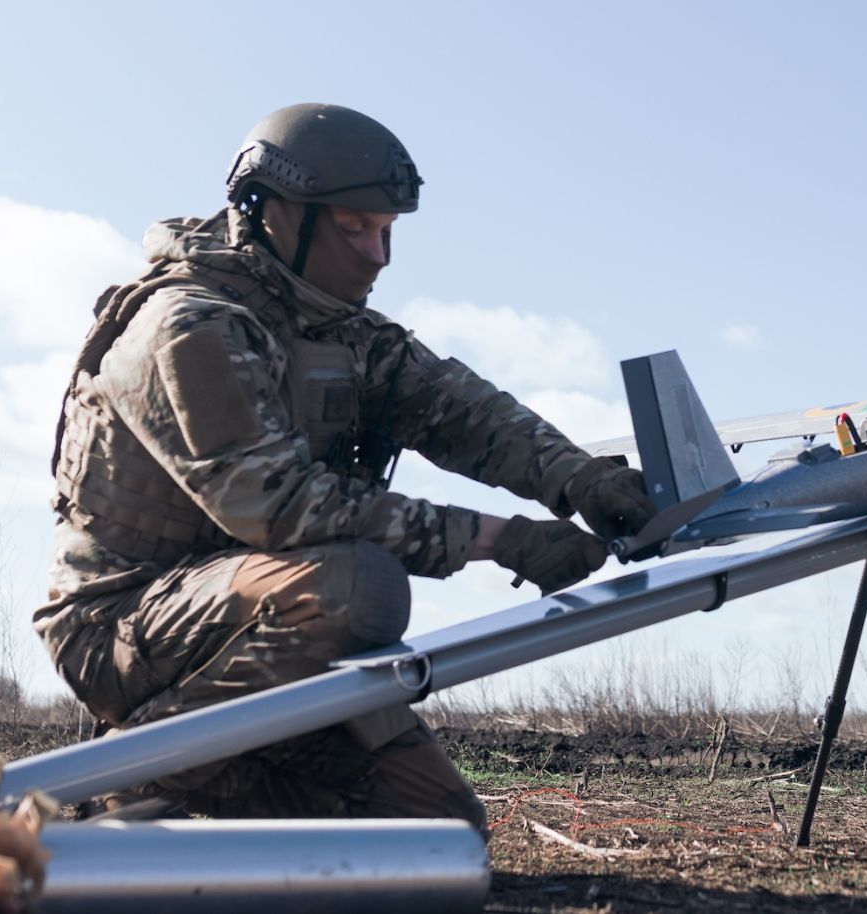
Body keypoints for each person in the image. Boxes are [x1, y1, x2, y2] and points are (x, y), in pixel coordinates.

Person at [33, 103, 654, 830]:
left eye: (387, 231)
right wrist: (499, 541)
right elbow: (278, 507)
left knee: (437, 833)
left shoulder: (343, 332)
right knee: (361, 588)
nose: (377, 255)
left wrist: (581, 480)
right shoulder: (188, 326)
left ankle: (210, 799)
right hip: (128, 627)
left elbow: (467, 413)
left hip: (277, 632)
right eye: (355, 228)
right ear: (275, 216)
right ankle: (126, 781)